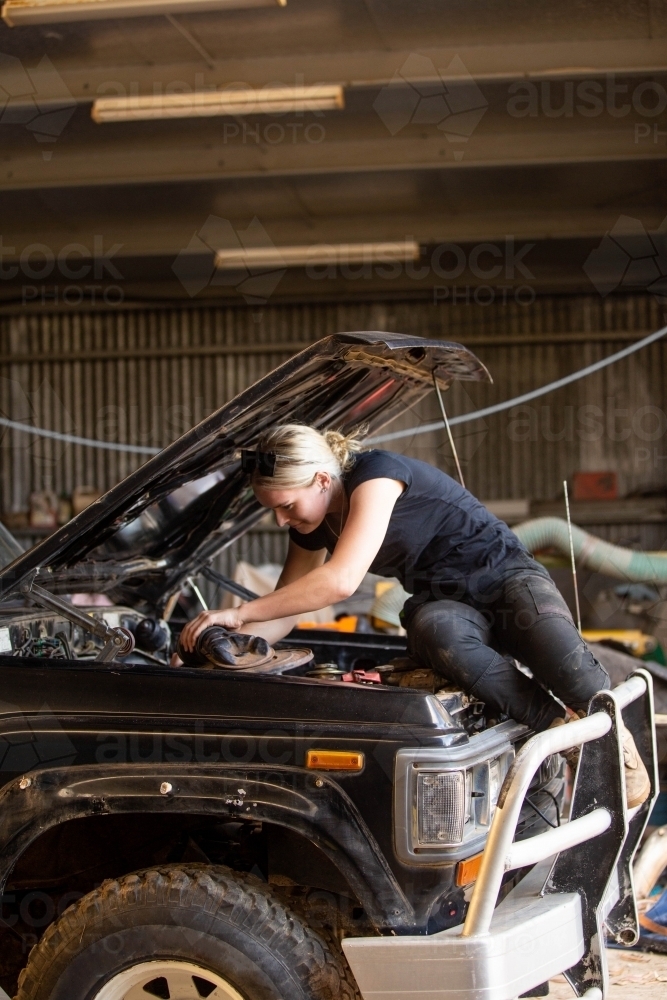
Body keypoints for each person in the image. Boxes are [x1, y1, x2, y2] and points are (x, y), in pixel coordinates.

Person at [180, 424, 650, 807]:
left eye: (285, 506)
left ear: (322, 480)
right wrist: (224, 650)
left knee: (559, 653)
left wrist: (239, 612)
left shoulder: (377, 476)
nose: (281, 521)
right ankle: (557, 731)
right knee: (434, 629)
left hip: (505, 576)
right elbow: (286, 608)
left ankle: (616, 743)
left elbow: (340, 582)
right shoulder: (311, 523)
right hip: (449, 602)